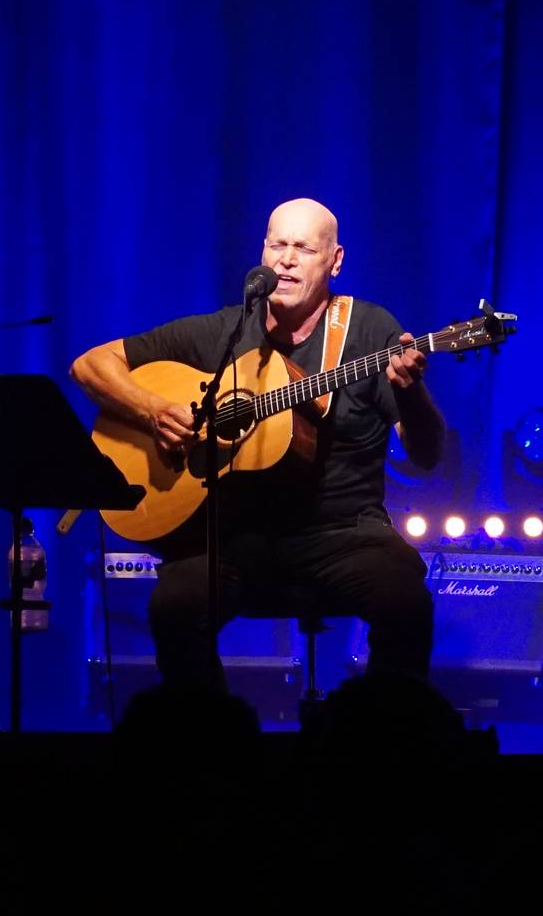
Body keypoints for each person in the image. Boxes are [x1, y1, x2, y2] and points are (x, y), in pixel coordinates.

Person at [71, 198, 444, 689]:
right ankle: (216, 737)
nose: (287, 259)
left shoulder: (370, 331)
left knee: (404, 599)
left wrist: (409, 391)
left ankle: (377, 736)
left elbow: (427, 455)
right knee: (174, 605)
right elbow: (90, 364)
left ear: (334, 261)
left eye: (304, 248)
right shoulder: (224, 331)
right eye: (277, 245)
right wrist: (155, 410)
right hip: (234, 537)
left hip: (342, 533)